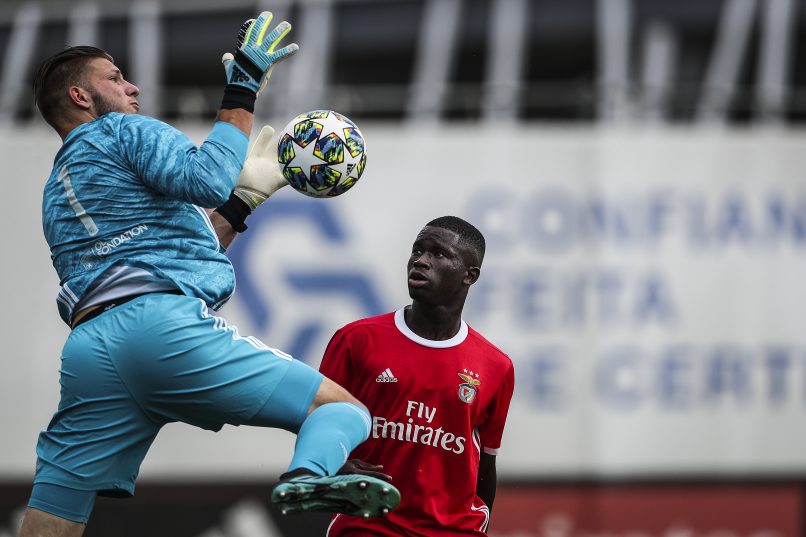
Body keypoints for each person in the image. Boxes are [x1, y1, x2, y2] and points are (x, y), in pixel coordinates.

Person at [18, 12, 399, 537]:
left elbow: (170, 254)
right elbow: (204, 178)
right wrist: (244, 84)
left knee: (56, 508)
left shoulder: (57, 189)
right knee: (344, 412)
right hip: (161, 330)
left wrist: (244, 202)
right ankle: (310, 475)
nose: (132, 87)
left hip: (92, 352)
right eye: (115, 77)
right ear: (82, 98)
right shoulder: (121, 130)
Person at [319, 216, 515, 536]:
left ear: (470, 275)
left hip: (453, 529)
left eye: (438, 254)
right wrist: (333, 466)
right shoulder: (356, 340)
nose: (421, 261)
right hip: (369, 524)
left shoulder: (496, 366)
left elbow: (485, 462)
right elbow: (317, 425)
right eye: (417, 251)